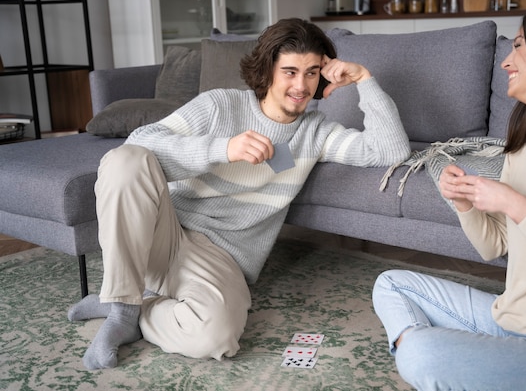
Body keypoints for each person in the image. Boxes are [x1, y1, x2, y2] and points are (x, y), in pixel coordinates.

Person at [68, 18, 410, 370]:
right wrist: (223, 148)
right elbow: (138, 145)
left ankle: (137, 308)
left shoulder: (317, 134)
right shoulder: (220, 105)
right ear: (267, 70)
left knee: (215, 338)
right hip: (162, 232)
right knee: (125, 161)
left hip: (223, 258)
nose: (301, 85)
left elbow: (390, 151)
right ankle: (122, 310)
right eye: (289, 72)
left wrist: (364, 81)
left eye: (311, 72)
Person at [372, 6, 526, 391]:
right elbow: (494, 246)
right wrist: (464, 203)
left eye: (519, 46)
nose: (507, 60)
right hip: (513, 320)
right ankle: (487, 363)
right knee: (390, 284)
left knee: (421, 355)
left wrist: (514, 204)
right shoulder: (524, 145)